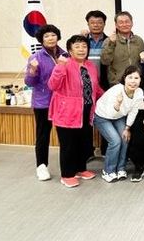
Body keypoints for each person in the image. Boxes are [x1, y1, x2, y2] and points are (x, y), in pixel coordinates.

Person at [47, 35, 104, 188]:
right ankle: (67, 174)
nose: (81, 49)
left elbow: (95, 87)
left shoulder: (90, 65)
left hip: (86, 110)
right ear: (70, 50)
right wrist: (59, 67)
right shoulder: (64, 64)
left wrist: (107, 96)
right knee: (68, 145)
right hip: (67, 112)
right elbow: (52, 85)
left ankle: (80, 169)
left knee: (83, 142)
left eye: (84, 46)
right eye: (77, 46)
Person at [24, 24, 68, 181]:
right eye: (47, 36)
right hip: (43, 102)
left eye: (53, 35)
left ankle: (69, 166)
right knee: (43, 135)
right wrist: (32, 70)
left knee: (66, 135)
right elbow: (29, 82)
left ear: (58, 37)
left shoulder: (66, 55)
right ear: (41, 40)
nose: (50, 38)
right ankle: (41, 166)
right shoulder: (35, 57)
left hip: (63, 102)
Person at [93, 65, 144, 183]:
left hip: (119, 117)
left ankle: (121, 168)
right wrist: (118, 104)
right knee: (115, 141)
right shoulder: (116, 90)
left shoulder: (139, 93)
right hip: (103, 116)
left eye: (136, 78)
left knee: (125, 138)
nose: (133, 81)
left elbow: (133, 111)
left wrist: (127, 128)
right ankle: (108, 171)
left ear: (140, 80)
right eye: (130, 77)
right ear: (124, 78)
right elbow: (111, 113)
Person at [100, 11, 144, 87]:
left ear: (132, 23)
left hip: (135, 83)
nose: (124, 25)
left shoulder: (139, 40)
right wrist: (111, 43)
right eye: (121, 22)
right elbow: (105, 61)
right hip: (117, 83)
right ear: (116, 25)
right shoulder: (109, 41)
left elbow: (142, 62)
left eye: (127, 22)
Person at [81, 10, 108, 90]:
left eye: (99, 22)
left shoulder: (109, 42)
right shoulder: (81, 42)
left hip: (105, 84)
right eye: (92, 23)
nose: (96, 25)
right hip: (84, 84)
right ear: (88, 24)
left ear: (104, 24)